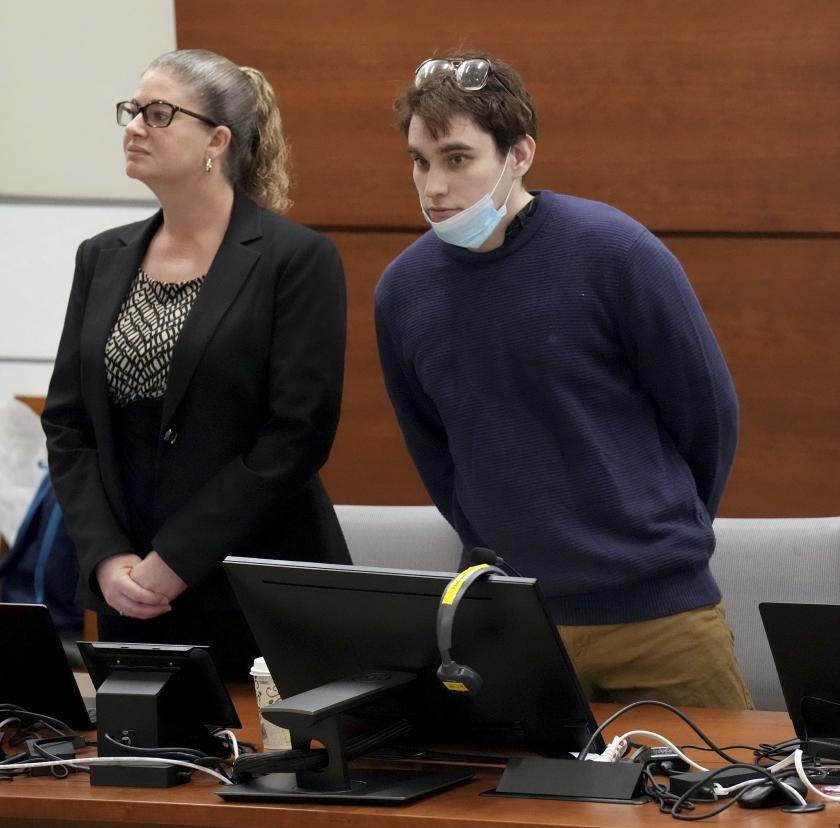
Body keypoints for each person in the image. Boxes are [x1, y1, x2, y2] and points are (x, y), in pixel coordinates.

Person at [374, 52, 751, 709]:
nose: (433, 185)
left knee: (716, 805)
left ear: (519, 154)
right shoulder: (403, 291)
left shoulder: (615, 252)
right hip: (511, 623)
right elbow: (435, 452)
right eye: (419, 160)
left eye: (458, 159)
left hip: (657, 618)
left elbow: (707, 417)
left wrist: (655, 535)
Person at [42, 49, 350, 680]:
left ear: (217, 140)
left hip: (258, 588)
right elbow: (68, 427)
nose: (133, 126)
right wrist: (106, 558)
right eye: (132, 111)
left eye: (157, 114)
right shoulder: (100, 257)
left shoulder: (295, 258)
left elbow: (297, 434)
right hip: (131, 593)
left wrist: (176, 560)